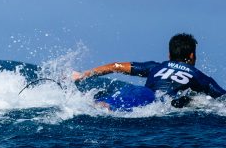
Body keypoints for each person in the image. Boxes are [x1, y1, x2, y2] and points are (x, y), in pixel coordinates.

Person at [72, 33, 226, 109]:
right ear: (192, 56)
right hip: (159, 102)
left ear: (169, 55)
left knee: (105, 104)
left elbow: (115, 66)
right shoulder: (200, 77)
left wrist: (83, 75)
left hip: (137, 91)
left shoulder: (155, 66)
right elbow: (223, 98)